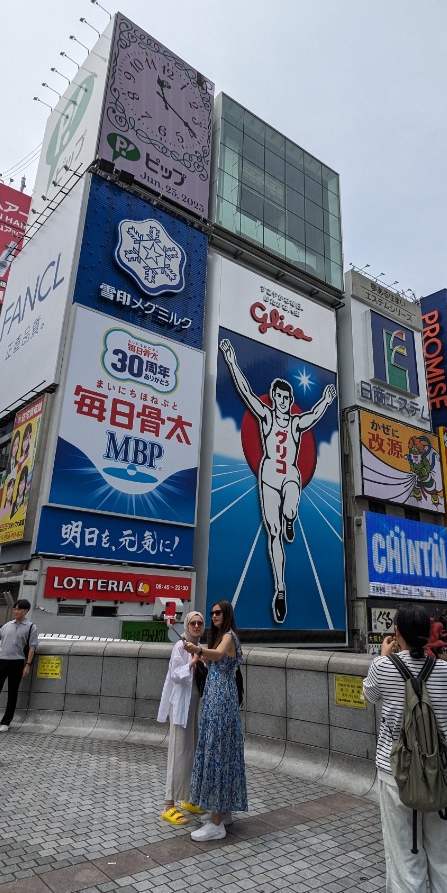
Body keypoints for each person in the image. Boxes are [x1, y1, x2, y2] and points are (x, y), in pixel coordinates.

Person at [362, 604, 447, 893]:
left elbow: (369, 696)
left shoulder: (383, 667)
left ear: (399, 634)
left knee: (406, 867)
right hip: (443, 776)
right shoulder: (446, 672)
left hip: (397, 777)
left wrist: (382, 656)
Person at [219, 338, 336, 624]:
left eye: (286, 398)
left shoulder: (295, 423)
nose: (282, 402)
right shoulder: (267, 418)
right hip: (269, 474)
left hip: (290, 475)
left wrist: (327, 400)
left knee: (290, 507)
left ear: (290, 401)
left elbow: (313, 416)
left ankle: (290, 517)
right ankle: (280, 590)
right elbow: (245, 393)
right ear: (274, 398)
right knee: (273, 534)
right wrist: (232, 361)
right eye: (278, 398)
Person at [183, 599, 247, 841]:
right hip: (218, 698)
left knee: (218, 754)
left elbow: (219, 655)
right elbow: (217, 660)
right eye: (212, 613)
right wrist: (202, 656)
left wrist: (198, 650)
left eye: (217, 613)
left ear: (227, 614)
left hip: (221, 701)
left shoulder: (228, 636)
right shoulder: (222, 636)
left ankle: (217, 822)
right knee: (223, 753)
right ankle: (224, 811)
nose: (213, 616)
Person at [157, 611, 207, 825]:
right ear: (187, 625)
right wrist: (192, 662)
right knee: (178, 753)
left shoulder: (197, 646)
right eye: (193, 623)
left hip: (193, 706)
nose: (196, 626)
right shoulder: (181, 646)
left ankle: (187, 798)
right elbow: (175, 674)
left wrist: (200, 659)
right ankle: (168, 805)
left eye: (200, 623)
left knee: (191, 752)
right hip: (180, 707)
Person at [0, 600, 38, 731]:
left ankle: (6, 722)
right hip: (2, 661)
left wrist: (28, 665)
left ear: (26, 611)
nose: (16, 611)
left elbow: (32, 647)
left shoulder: (31, 627)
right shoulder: (7, 625)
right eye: (15, 609)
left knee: (13, 693)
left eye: (19, 609)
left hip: (18, 662)